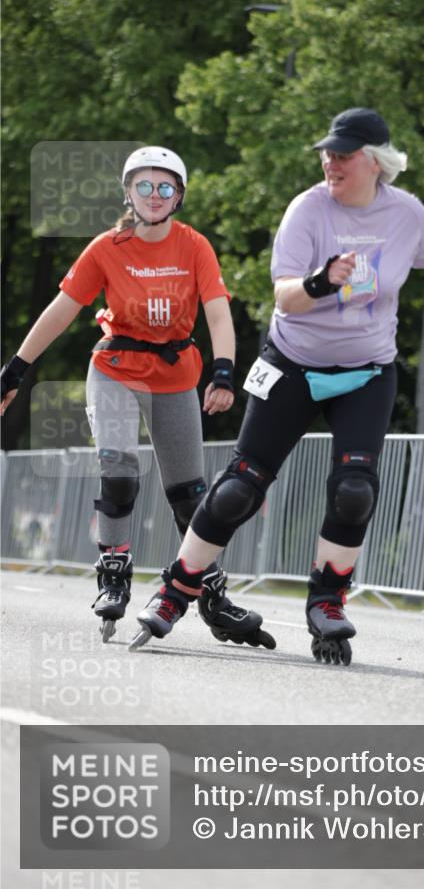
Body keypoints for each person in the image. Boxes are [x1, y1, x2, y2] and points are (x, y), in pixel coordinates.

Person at [129, 109, 424, 663]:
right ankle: (176, 589)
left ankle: (328, 602)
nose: (330, 162)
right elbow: (284, 296)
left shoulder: (405, 215)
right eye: (327, 153)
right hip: (293, 365)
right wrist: (322, 280)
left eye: (343, 154)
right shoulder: (309, 209)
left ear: (376, 161)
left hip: (367, 372)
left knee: (355, 490)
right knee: (242, 486)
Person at [0, 146, 274, 650]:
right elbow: (62, 310)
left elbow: (217, 314)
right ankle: (114, 571)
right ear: (128, 192)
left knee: (191, 498)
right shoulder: (108, 246)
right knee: (119, 467)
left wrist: (222, 373)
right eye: (144, 186)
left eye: (165, 187)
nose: (154, 195)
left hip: (175, 373)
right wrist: (14, 369)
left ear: (179, 196)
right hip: (116, 368)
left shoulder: (194, 246)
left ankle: (211, 593)